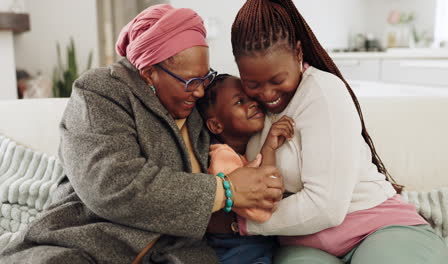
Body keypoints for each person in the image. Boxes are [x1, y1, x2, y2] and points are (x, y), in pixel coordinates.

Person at [0, 4, 284, 264]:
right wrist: (226, 191)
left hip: (181, 253)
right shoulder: (101, 91)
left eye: (204, 77)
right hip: (90, 243)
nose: (200, 91)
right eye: (191, 82)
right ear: (148, 73)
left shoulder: (195, 104)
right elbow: (111, 184)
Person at [230, 0, 448, 263]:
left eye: (278, 80)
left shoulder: (323, 93)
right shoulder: (247, 110)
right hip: (305, 245)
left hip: (377, 228)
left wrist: (241, 224)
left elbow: (325, 208)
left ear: (298, 53)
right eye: (252, 83)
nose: (267, 94)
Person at [196, 74, 295, 264]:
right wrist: (269, 148)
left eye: (251, 97)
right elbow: (263, 207)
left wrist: (268, 147)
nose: (252, 104)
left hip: (258, 248)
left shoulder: (243, 152)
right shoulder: (221, 159)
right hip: (236, 252)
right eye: (240, 101)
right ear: (216, 125)